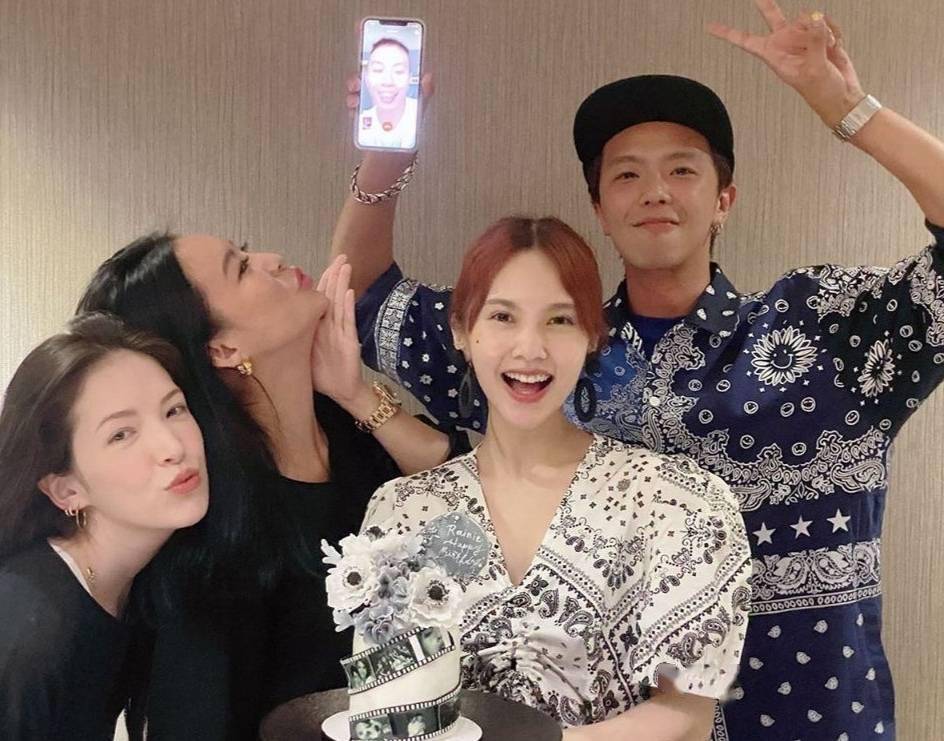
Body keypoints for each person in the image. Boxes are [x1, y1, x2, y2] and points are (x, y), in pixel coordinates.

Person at [337, 2, 944, 738]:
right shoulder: (548, 353)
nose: (655, 191)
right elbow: (360, 295)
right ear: (599, 207)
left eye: (682, 169)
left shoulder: (823, 329)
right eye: (626, 175)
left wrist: (848, 109)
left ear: (724, 199)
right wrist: (388, 153)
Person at [361, 216, 752, 739]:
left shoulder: (677, 502)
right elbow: (386, 711)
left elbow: (687, 713)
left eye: (560, 320)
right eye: (503, 316)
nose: (530, 348)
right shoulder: (402, 510)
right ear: (462, 330)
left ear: (592, 335)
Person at [78, 235, 466, 739]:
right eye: (240, 268)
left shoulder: (346, 429)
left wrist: (356, 394)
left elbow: (465, 498)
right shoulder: (221, 539)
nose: (273, 259)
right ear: (223, 349)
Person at [0, 313, 209, 739]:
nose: (172, 447)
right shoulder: (28, 629)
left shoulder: (134, 584)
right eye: (121, 435)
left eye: (174, 410)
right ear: (67, 490)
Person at [358, 38, 418, 149]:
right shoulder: (361, 123)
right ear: (366, 78)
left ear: (409, 78)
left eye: (398, 71)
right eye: (378, 70)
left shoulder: (422, 113)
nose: (388, 81)